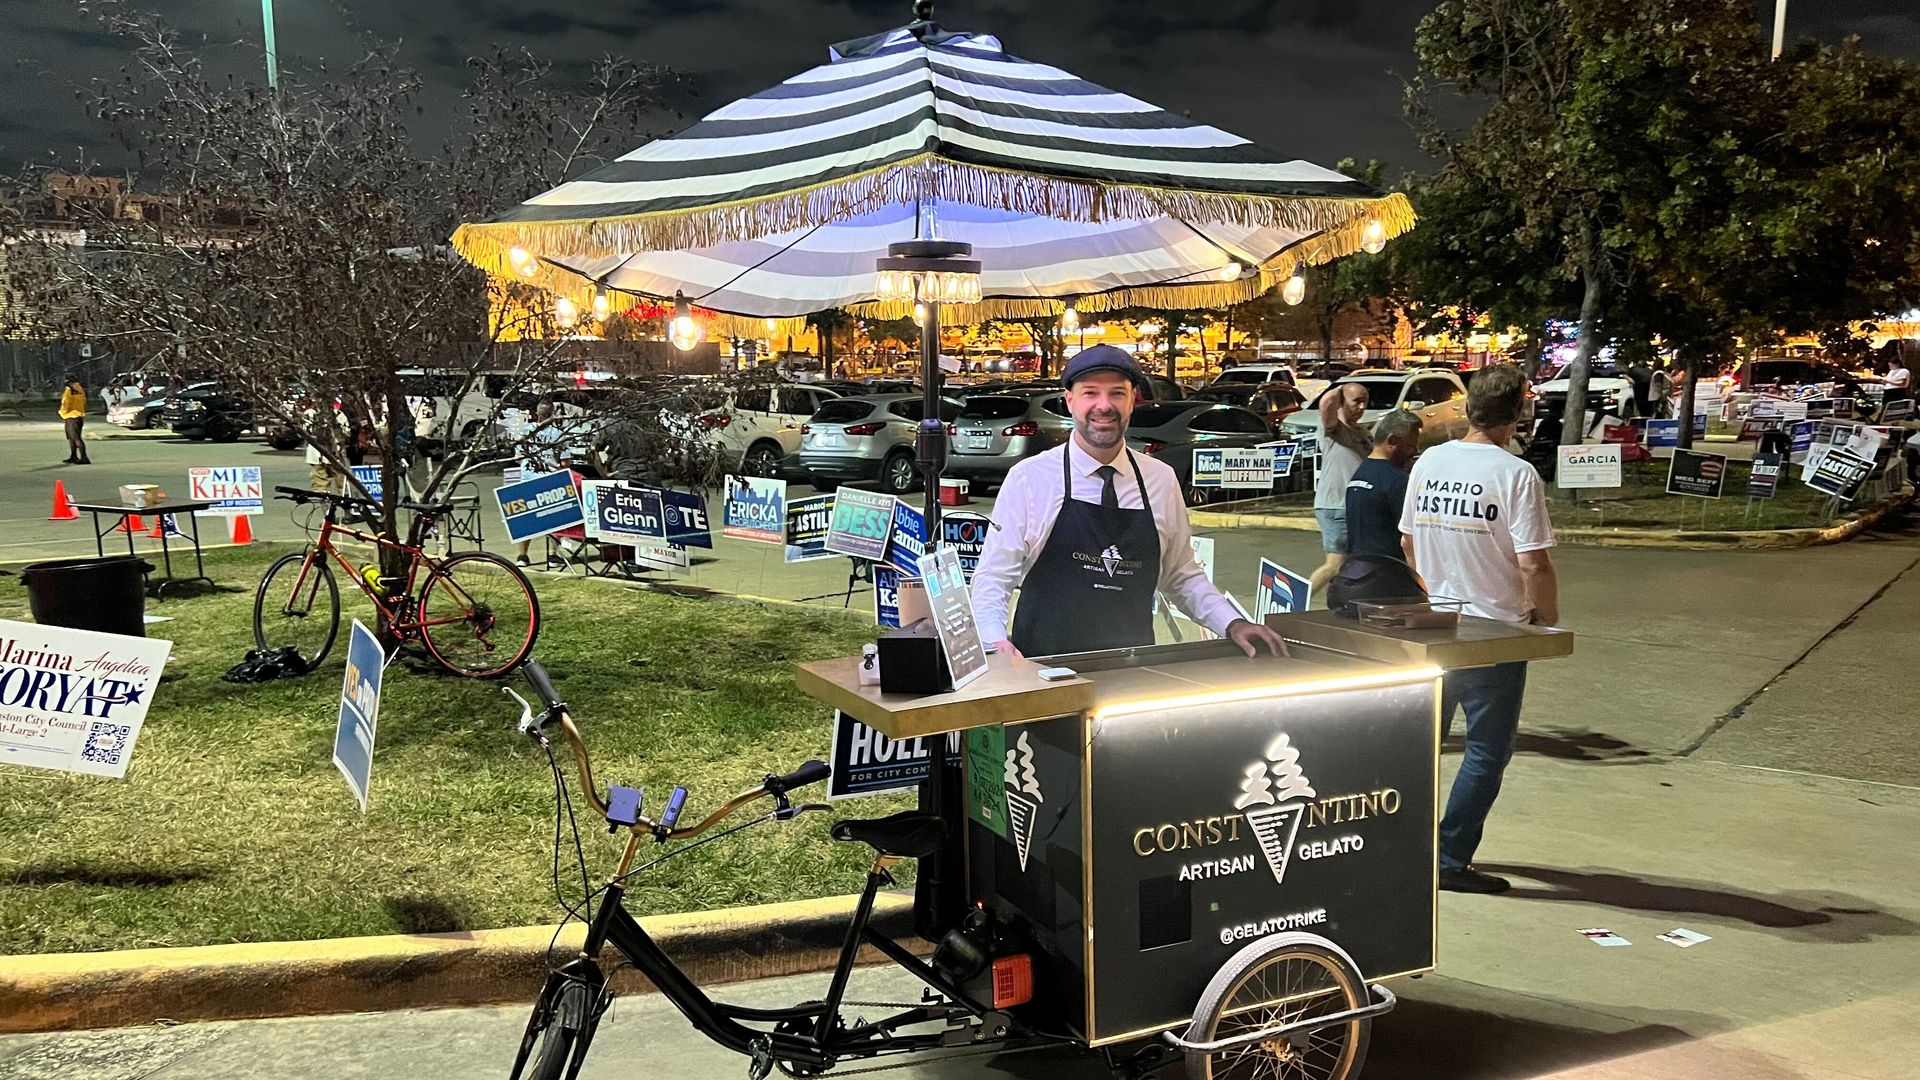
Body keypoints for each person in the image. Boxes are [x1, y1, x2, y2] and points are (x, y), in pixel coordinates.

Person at [972, 344, 1287, 659]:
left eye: (1117, 393)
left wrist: (1231, 622)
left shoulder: (1160, 480)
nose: (1104, 405)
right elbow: (994, 577)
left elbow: (1180, 573)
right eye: (1090, 393)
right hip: (1043, 673)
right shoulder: (1030, 478)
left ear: (1132, 400)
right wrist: (994, 642)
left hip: (1134, 672)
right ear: (1070, 401)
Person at [1398, 363, 1559, 895]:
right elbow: (1534, 561)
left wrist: (1436, 588)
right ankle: (1449, 857)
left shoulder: (1429, 462)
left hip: (1438, 624)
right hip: (1493, 631)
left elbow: (1408, 542)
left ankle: (1402, 845)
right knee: (1486, 750)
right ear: (1516, 413)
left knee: (1424, 745)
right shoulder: (1515, 474)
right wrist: (1544, 614)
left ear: (1469, 409)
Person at [1309, 382, 1372, 601]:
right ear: (1343, 403)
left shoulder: (1361, 432)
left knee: (1349, 564)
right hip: (1335, 505)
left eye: (1365, 401)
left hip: (1353, 506)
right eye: (1356, 401)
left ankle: (1337, 603)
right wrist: (1341, 388)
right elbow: (1326, 404)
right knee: (1334, 565)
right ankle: (1295, 601)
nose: (1362, 407)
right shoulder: (1333, 429)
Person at [1344, 410, 1421, 560]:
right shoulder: (1396, 480)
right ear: (1392, 441)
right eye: (1411, 446)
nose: (1415, 451)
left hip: (1357, 566)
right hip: (1389, 569)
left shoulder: (1360, 473)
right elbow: (1409, 538)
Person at [514, 402, 566, 567]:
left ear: (537, 414)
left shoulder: (526, 432)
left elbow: (517, 457)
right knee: (554, 517)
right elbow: (565, 462)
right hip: (549, 479)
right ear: (552, 414)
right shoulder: (559, 435)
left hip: (528, 478)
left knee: (527, 518)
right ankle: (552, 555)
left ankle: (522, 556)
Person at [58, 376, 90, 465]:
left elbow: (65, 403)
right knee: (74, 437)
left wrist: (62, 413)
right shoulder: (80, 389)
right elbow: (83, 402)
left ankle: (84, 457)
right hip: (79, 415)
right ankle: (73, 456)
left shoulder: (69, 390)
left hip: (71, 416)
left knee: (75, 438)